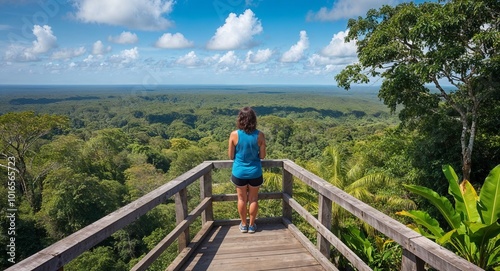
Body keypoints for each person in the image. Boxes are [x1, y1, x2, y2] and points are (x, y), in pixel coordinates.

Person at [228, 107, 266, 234]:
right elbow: (262, 156)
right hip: (255, 172)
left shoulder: (234, 134)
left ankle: (243, 225)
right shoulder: (260, 135)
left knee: (241, 199)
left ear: (240, 119)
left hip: (239, 172)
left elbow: (230, 156)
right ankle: (251, 225)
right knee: (254, 199)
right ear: (254, 120)